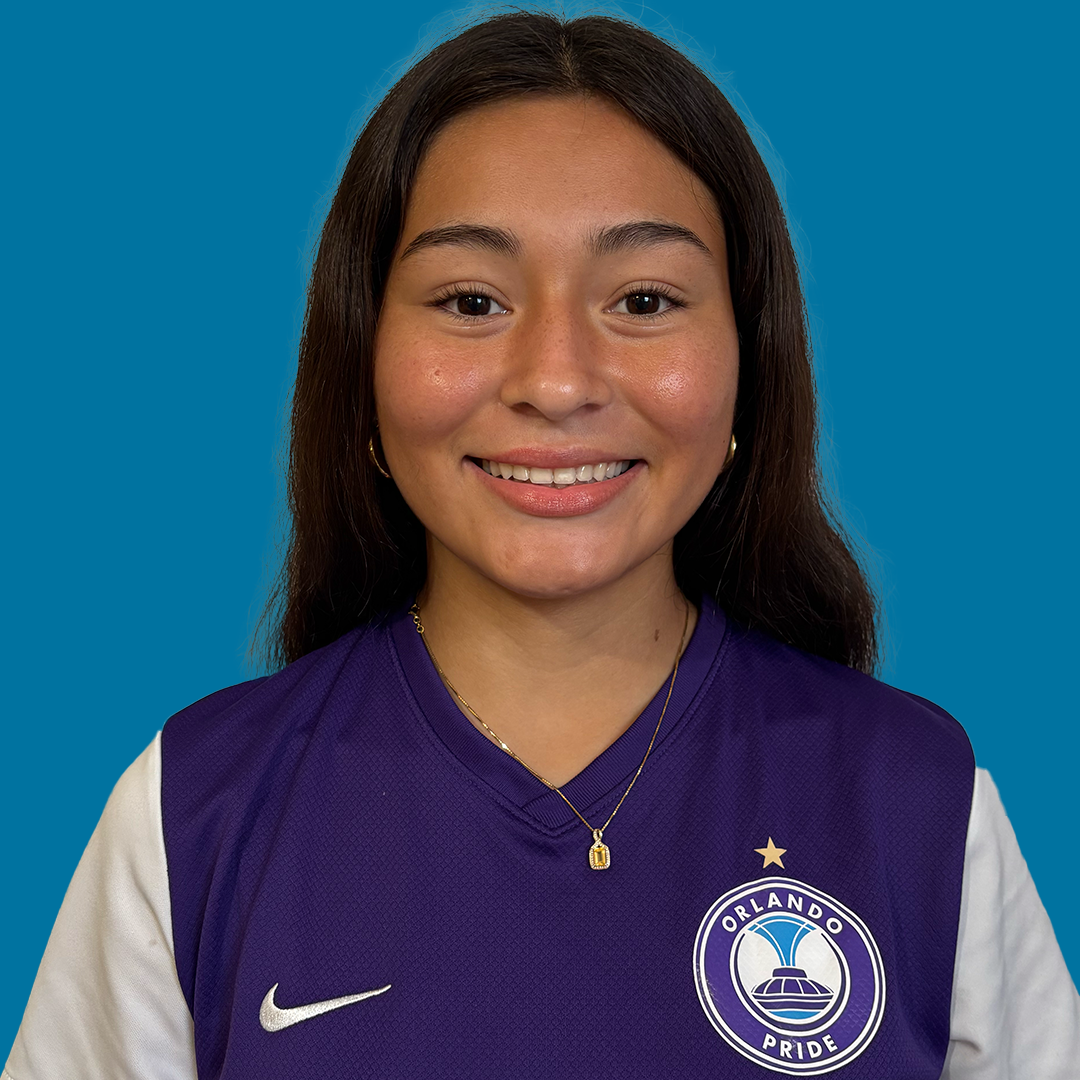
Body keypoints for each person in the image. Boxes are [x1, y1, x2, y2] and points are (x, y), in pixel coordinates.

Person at [5, 10, 1078, 1079]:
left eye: (645, 299)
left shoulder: (920, 804)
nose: (557, 380)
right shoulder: (193, 808)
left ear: (749, 357)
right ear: (363, 364)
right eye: (471, 300)